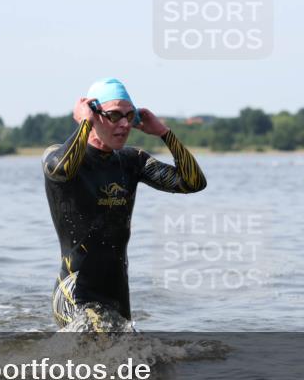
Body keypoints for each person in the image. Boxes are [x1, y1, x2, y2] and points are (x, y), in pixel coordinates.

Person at [43, 77, 207, 329]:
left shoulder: (132, 161)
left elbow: (192, 182)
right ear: (92, 113)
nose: (123, 124)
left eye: (130, 116)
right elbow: (62, 169)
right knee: (98, 355)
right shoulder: (59, 155)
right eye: (114, 115)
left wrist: (164, 133)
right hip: (74, 292)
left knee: (135, 364)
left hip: (117, 293)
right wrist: (84, 122)